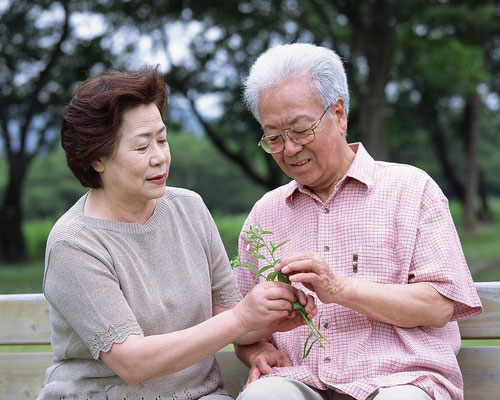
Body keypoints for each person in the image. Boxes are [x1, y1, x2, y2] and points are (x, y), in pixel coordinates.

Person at [38, 66, 317, 400]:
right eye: (142, 148)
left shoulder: (190, 208)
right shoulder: (75, 243)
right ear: (97, 158)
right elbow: (134, 363)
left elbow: (224, 311)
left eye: (162, 139)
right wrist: (243, 319)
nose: (160, 158)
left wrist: (267, 323)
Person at [233, 43, 483, 400]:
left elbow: (440, 305)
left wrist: (338, 289)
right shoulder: (265, 213)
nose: (289, 149)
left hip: (399, 381)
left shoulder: (411, 190)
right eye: (273, 138)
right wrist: (256, 352)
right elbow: (240, 322)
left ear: (338, 115)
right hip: (302, 381)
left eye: (300, 130)